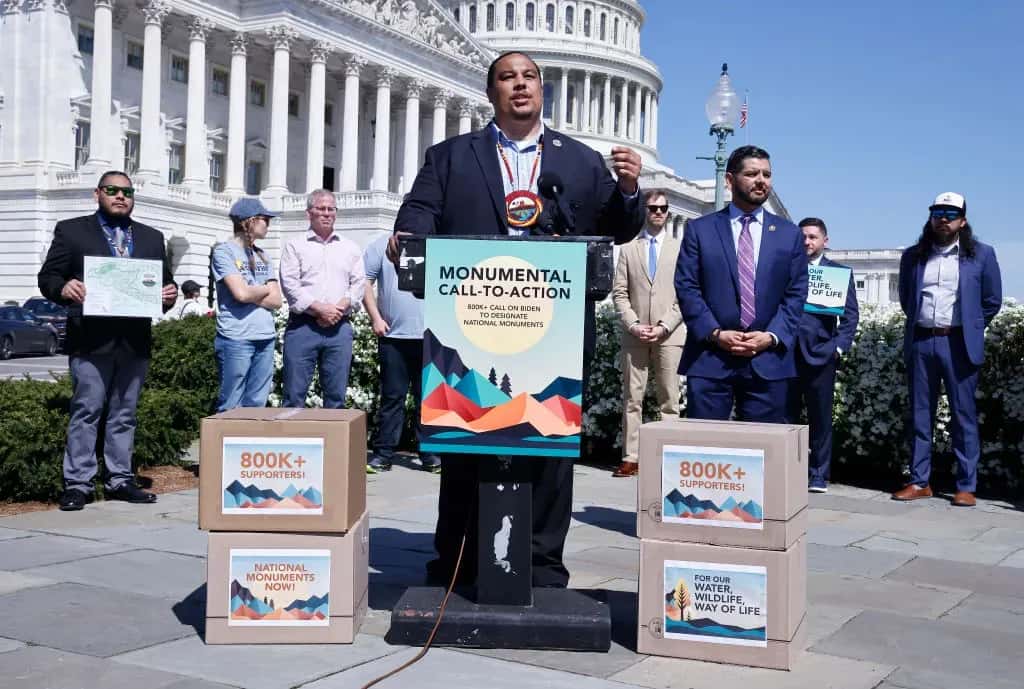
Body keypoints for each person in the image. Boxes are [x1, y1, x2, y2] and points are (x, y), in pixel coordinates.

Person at [393, 50, 644, 588]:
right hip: (472, 320)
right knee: (468, 438)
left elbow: (617, 229)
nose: (520, 85)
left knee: (549, 450)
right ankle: (455, 559)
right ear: (492, 93)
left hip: (554, 324)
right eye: (507, 77)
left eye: (529, 77)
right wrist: (405, 233)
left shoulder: (578, 160)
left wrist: (627, 191)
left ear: (542, 90)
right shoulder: (452, 155)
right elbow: (419, 211)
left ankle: (543, 563)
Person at [37, 170, 178, 511]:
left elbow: (165, 286)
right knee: (86, 410)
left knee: (125, 414)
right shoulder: (72, 231)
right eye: (113, 190)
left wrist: (168, 295)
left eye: (127, 192)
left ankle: (120, 479)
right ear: (97, 193)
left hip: (133, 341)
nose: (120, 196)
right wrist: (63, 288)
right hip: (91, 339)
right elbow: (48, 277)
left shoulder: (150, 237)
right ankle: (78, 483)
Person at [674, 146, 807, 423]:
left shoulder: (789, 235)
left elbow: (795, 294)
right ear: (730, 180)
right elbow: (687, 286)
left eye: (767, 174)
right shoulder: (700, 230)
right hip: (710, 358)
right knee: (706, 453)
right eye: (752, 173)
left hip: (769, 362)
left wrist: (771, 336)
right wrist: (714, 332)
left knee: (765, 455)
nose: (762, 180)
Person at [893, 192, 1001, 507]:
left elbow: (991, 301)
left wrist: (970, 325)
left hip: (959, 343)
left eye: (951, 213)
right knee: (919, 415)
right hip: (922, 341)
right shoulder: (913, 256)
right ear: (930, 217)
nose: (944, 218)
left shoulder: (981, 254)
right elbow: (906, 298)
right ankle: (919, 481)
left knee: (963, 415)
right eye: (938, 212)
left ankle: (966, 486)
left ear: (962, 220)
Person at [611, 189, 685, 478]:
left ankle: (669, 455)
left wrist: (665, 325)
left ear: (668, 212)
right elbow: (619, 294)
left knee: (669, 398)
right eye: (652, 208)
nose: (658, 212)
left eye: (663, 208)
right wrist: (633, 324)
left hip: (670, 334)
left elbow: (685, 295)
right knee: (632, 398)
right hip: (635, 334)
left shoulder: (681, 248)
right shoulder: (629, 249)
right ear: (644, 210)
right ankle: (631, 456)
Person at [788, 218, 859, 493]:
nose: (807, 241)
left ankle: (819, 474)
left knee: (820, 418)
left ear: (824, 241)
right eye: (803, 236)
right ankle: (790, 471)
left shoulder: (838, 273)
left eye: (813, 237)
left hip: (821, 356)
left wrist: (838, 347)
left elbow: (851, 317)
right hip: (786, 355)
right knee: (786, 416)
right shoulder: (787, 270)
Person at [279, 189, 366, 408]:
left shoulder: (350, 248)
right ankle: (291, 439)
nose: (326, 214)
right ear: (309, 213)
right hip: (303, 327)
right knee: (293, 395)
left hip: (339, 329)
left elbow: (358, 285)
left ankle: (334, 442)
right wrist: (320, 309)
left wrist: (338, 308)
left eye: (331, 209)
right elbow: (290, 285)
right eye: (321, 209)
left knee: (336, 397)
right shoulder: (294, 245)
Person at [363, 233, 441, 474]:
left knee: (428, 401)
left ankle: (430, 454)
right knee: (392, 398)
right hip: (393, 337)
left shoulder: (436, 245)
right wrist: (375, 318)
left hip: (430, 337)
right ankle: (383, 454)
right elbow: (364, 281)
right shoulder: (378, 246)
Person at [211, 198, 283, 412]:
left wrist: (251, 290)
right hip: (236, 337)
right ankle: (223, 444)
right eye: (264, 219)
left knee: (257, 404)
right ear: (248, 222)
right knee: (231, 403)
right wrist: (262, 289)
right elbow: (240, 294)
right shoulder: (224, 251)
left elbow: (277, 300)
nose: (268, 224)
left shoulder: (263, 255)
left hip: (265, 336)